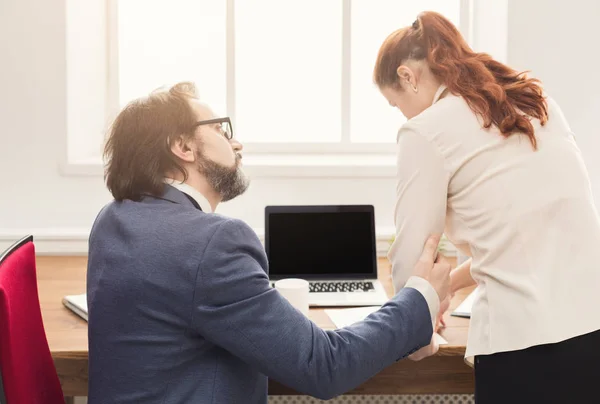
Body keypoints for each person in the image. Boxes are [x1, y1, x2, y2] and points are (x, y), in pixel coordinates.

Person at [86, 82, 451, 404]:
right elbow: (324, 365)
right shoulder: (211, 243)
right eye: (221, 130)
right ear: (183, 146)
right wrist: (419, 298)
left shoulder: (112, 220)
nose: (237, 143)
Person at [373, 10, 600, 404]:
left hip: (524, 347)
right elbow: (518, 238)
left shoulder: (424, 131)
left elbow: (413, 253)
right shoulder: (532, 98)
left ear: (408, 77)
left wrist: (416, 327)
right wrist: (448, 289)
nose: (402, 114)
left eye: (396, 104)